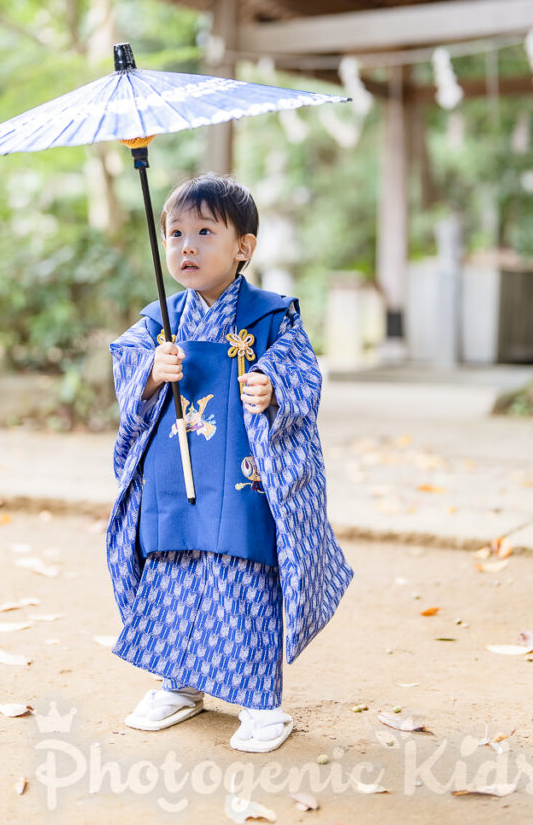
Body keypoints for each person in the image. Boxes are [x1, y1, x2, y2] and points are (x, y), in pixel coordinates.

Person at [106, 172, 354, 753]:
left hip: (245, 478)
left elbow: (302, 373)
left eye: (203, 232)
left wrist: (270, 387)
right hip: (176, 478)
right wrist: (148, 373)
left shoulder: (270, 315)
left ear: (244, 247)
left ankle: (259, 700)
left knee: (242, 577)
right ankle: (180, 682)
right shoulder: (158, 321)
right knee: (173, 573)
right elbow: (127, 373)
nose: (185, 246)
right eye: (174, 234)